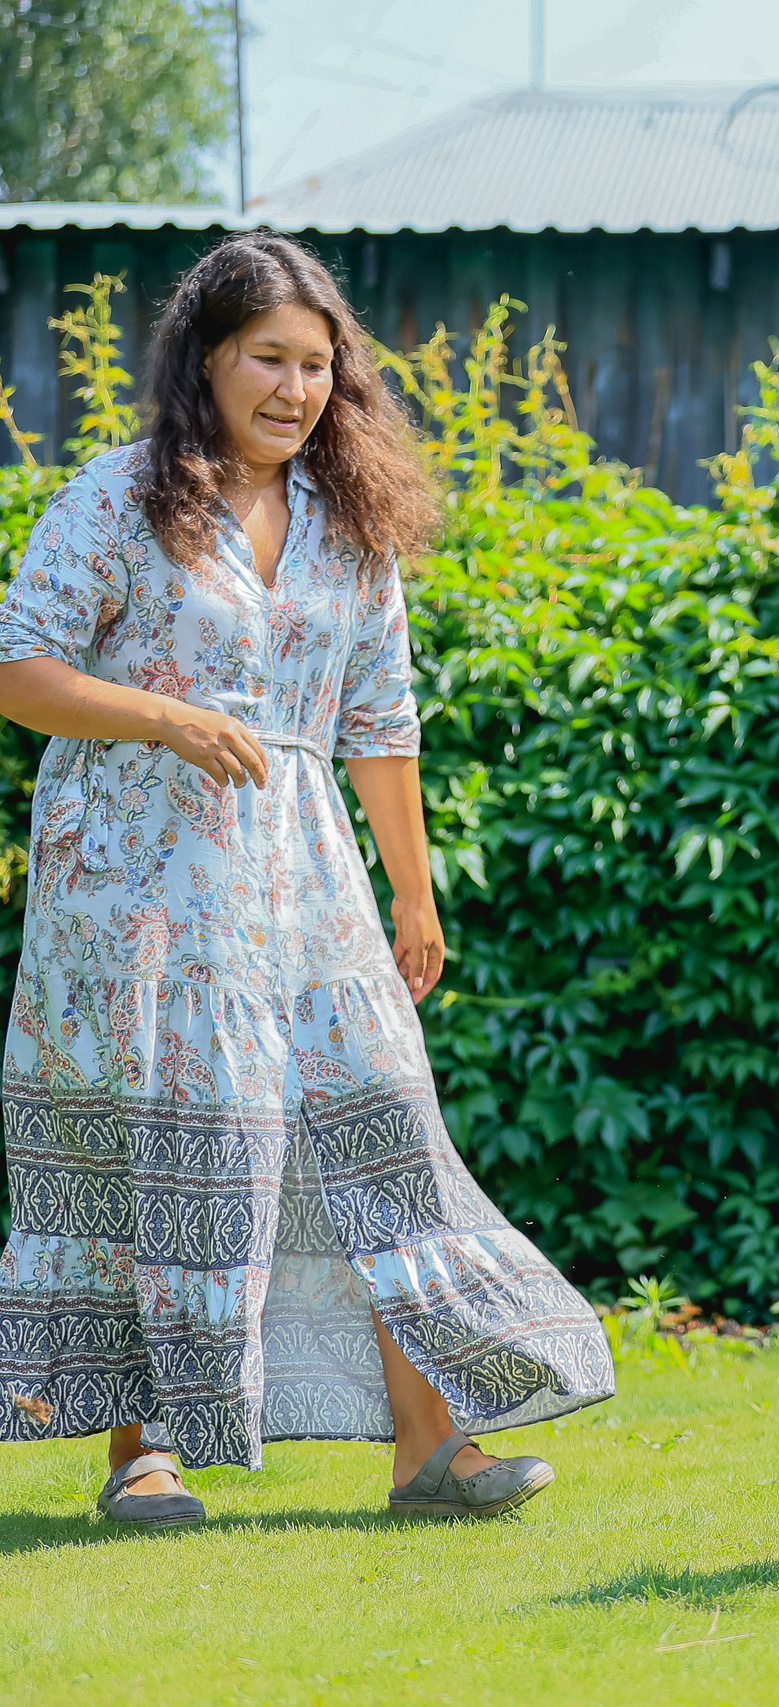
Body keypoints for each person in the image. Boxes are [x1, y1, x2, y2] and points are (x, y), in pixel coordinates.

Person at [0, 232, 612, 1525]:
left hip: (306, 884)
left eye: (316, 365)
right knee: (161, 1152)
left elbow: (382, 724)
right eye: (267, 359)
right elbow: (20, 673)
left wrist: (415, 892)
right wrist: (162, 717)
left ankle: (432, 1451)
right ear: (206, 362)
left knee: (383, 1126)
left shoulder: (351, 527)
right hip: (135, 895)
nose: (293, 388)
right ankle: (140, 1453)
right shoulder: (119, 498)